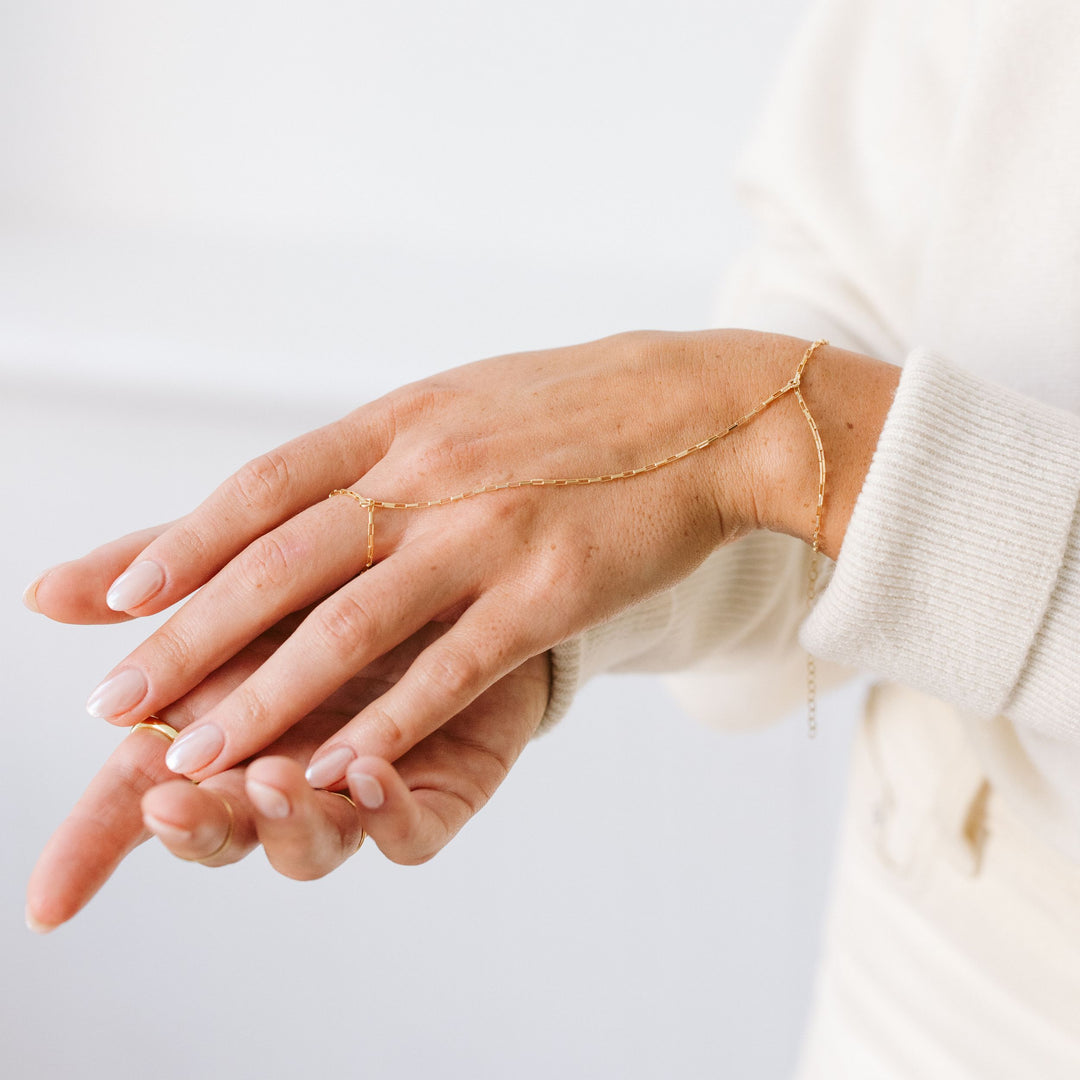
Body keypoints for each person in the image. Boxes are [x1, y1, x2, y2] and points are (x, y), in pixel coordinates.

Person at [22, 0, 1080, 1073]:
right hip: (905, 969)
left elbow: (811, 433)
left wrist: (776, 440)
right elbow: (866, 324)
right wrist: (499, 606)